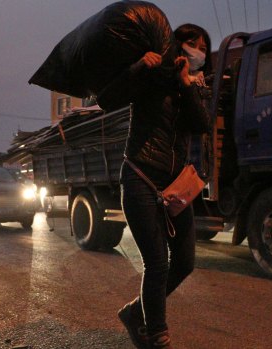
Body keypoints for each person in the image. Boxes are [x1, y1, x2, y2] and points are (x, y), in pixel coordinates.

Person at [106, 24, 212, 349]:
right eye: (191, 43)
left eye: (203, 47)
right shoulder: (150, 76)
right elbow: (107, 99)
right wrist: (138, 67)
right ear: (176, 46)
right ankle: (157, 335)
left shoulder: (197, 86)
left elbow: (201, 125)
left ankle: (135, 313)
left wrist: (186, 87)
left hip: (175, 185)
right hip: (140, 176)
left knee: (185, 262)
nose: (198, 51)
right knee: (158, 262)